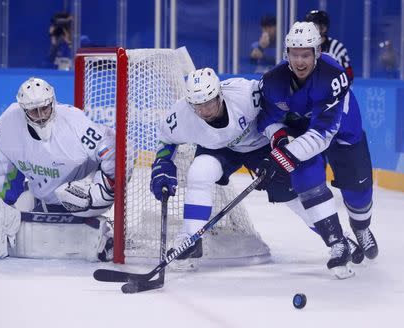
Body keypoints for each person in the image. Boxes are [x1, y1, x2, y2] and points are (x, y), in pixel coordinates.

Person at [149, 67, 322, 270]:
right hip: (220, 149)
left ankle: (334, 236)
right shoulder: (181, 115)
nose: (204, 111)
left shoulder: (245, 94)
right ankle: (191, 239)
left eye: (209, 103)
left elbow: (275, 111)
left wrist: (283, 138)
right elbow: (165, 141)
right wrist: (162, 164)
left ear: (219, 95)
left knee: (290, 194)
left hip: (260, 144)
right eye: (198, 106)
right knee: (199, 171)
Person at [256, 22, 378, 279]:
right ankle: (337, 243)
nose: (300, 61)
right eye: (294, 54)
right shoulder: (273, 80)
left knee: (358, 193)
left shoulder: (332, 75)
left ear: (317, 53)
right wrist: (279, 141)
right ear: (286, 53)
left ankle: (361, 227)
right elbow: (267, 119)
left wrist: (286, 155)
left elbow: (323, 134)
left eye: (306, 54)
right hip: (305, 130)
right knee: (304, 178)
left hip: (343, 131)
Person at [0, 77, 116, 262]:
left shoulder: (75, 123)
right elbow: (1, 173)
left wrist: (104, 188)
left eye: (44, 108)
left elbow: (112, 148)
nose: (40, 116)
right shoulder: (7, 125)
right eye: (33, 111)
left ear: (53, 103)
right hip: (43, 198)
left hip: (83, 200)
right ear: (24, 110)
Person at [305, 10, 354, 81]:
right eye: (312, 27)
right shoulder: (300, 46)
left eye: (320, 26)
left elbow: (349, 74)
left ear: (325, 27)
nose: (316, 30)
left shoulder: (336, 47)